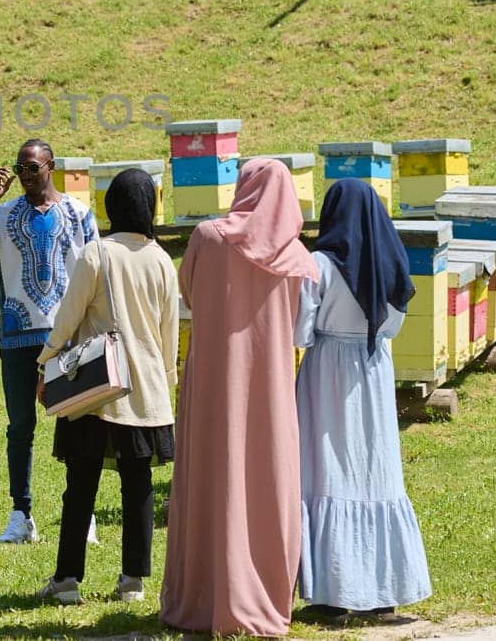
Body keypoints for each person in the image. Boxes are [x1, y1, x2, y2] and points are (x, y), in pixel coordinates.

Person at [160, 158, 317, 638]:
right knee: (266, 478)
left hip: (212, 382)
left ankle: (205, 595)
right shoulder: (297, 258)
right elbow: (303, 323)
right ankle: (264, 594)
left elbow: (188, 290)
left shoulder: (208, 238)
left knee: (211, 475)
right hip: (269, 392)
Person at [35, 169, 178, 606]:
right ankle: (133, 580)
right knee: (138, 487)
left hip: (96, 389)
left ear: (111, 205)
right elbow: (169, 334)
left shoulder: (95, 253)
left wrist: (45, 362)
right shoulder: (163, 261)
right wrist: (165, 382)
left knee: (80, 484)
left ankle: (67, 581)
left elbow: (68, 318)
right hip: (146, 390)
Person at [295, 179, 432, 622]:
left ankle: (334, 595)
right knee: (375, 470)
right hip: (373, 371)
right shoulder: (389, 261)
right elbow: (392, 326)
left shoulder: (319, 264)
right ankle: (383, 592)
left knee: (328, 469)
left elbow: (299, 331)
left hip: (327, 373)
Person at [0, 138, 99, 545]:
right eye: (20, 169)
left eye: (32, 168)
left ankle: (82, 510)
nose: (25, 176)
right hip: (17, 339)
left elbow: (98, 271)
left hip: (69, 337)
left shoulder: (78, 214)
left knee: (78, 423)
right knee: (20, 427)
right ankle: (21, 513)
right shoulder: (2, 216)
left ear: (50, 166)